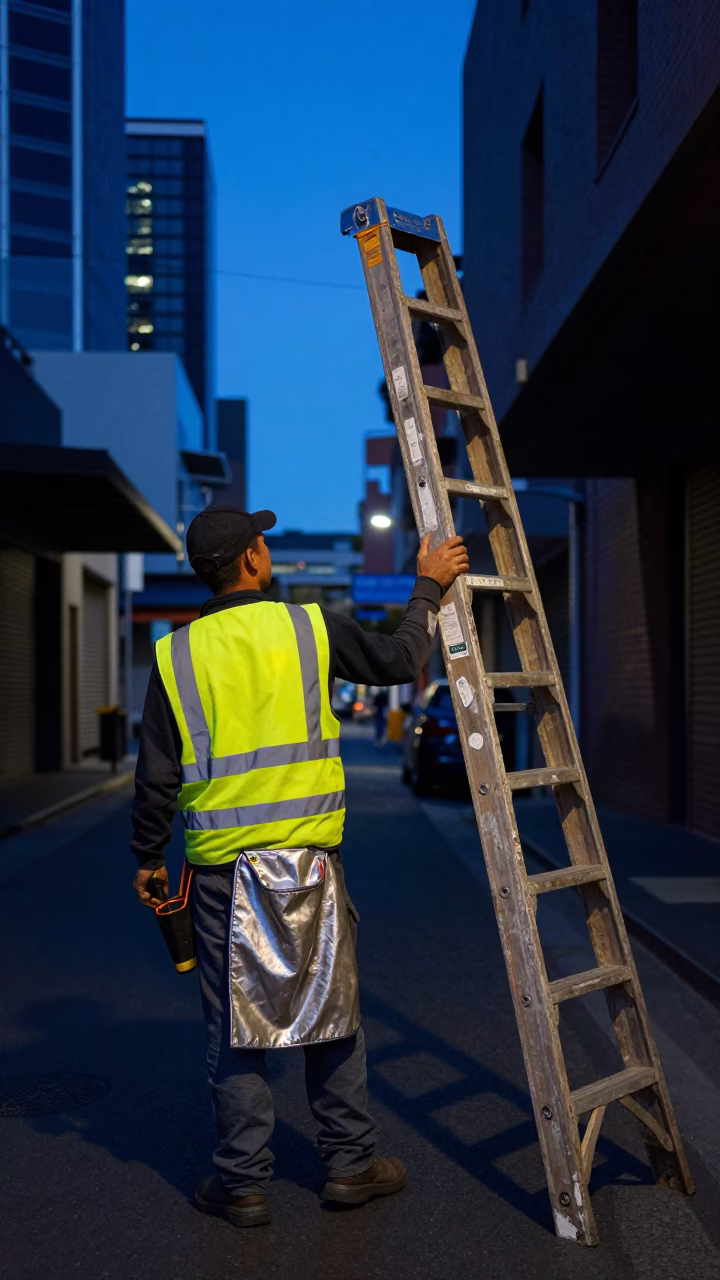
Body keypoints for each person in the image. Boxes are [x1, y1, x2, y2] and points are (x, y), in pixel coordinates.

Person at [131, 505, 469, 1228]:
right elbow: (398, 661)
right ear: (252, 561)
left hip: (222, 874)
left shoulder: (175, 655)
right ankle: (350, 1165)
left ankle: (242, 1183)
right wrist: (426, 590)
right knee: (332, 1012)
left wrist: (146, 856)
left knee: (233, 1031)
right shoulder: (308, 626)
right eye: (261, 541)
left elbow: (155, 775)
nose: (265, 548)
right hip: (310, 862)